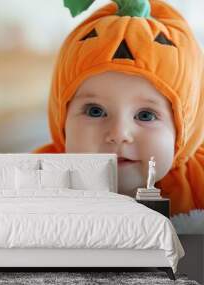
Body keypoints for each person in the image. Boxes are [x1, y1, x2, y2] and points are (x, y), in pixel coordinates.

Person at [33, 0, 204, 217]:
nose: (119, 134)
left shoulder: (198, 186)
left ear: (186, 130)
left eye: (145, 115)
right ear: (61, 119)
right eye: (95, 111)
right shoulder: (36, 184)